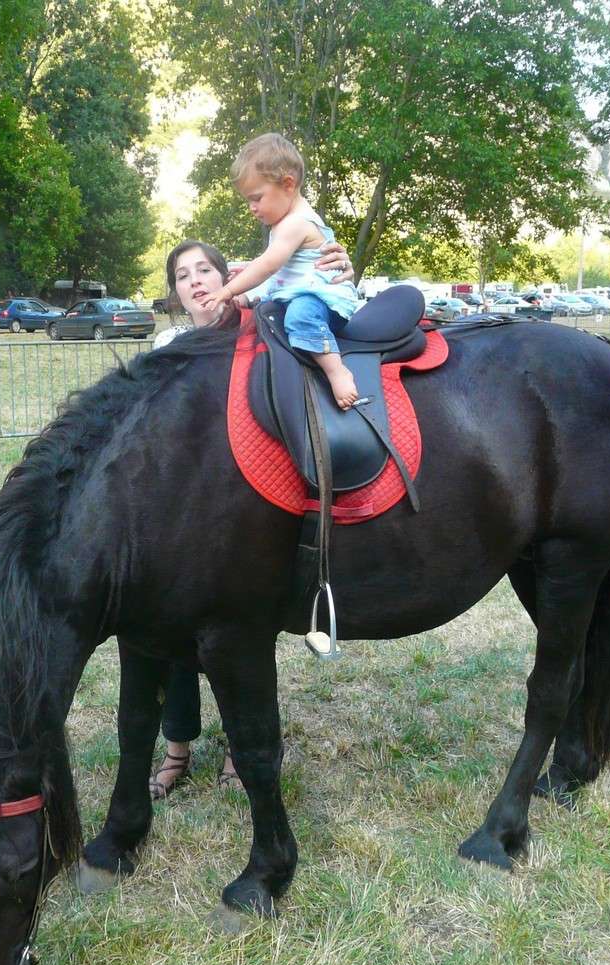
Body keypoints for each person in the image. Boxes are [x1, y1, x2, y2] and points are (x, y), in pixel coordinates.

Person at [150, 235, 355, 800]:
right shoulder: (168, 346)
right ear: (176, 294)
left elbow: (305, 282)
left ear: (226, 278)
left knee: (235, 639)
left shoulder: (259, 322)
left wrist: (336, 264)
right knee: (170, 637)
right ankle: (176, 747)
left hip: (235, 506)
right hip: (178, 511)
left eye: (205, 270)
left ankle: (242, 748)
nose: (196, 281)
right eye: (184, 276)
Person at [201, 133, 360, 409]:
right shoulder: (285, 225)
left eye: (257, 198)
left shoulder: (296, 223)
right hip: (303, 293)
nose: (252, 208)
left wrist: (228, 289)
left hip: (319, 302)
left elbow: (267, 266)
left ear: (288, 184)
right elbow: (279, 278)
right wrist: (248, 297)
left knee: (299, 317)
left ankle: (337, 371)